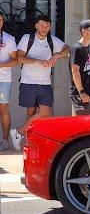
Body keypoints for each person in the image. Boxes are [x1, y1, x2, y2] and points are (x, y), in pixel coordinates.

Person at [13, 14, 69, 149]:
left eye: (47, 26)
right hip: (28, 82)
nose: (44, 28)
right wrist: (39, 61)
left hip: (45, 84)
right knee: (31, 114)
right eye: (42, 25)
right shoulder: (28, 38)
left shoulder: (52, 40)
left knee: (45, 113)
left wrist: (56, 55)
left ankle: (19, 132)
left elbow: (67, 49)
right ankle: (30, 142)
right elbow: (20, 58)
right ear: (36, 25)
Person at [69, 20, 90, 116]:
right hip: (80, 94)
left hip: (89, 93)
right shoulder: (76, 48)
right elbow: (75, 71)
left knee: (87, 123)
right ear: (84, 31)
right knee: (80, 123)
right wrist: (81, 92)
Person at [0, 13, 18, 151]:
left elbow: (15, 60)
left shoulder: (9, 39)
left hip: (3, 79)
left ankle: (5, 141)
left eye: (0, 20)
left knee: (4, 109)